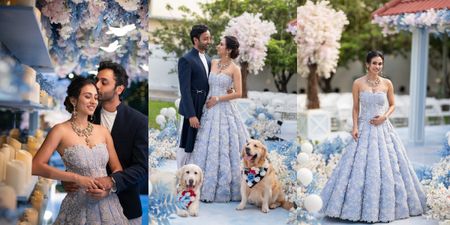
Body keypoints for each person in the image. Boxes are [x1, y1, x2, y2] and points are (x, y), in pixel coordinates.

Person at [320, 51, 426, 223]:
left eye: (380, 63)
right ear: (367, 64)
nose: (378, 66)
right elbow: (355, 108)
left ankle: (389, 208)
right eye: (374, 63)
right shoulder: (358, 83)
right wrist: (354, 127)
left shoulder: (387, 83)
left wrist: (384, 116)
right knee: (358, 167)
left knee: (391, 167)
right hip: (364, 128)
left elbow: (392, 104)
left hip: (383, 129)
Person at [32, 77, 129, 224]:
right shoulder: (60, 131)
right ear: (73, 100)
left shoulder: (103, 131)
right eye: (87, 96)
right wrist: (75, 178)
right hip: (77, 206)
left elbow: (117, 168)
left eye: (96, 97)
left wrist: (108, 189)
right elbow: (36, 166)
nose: (93, 101)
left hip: (107, 204)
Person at [63, 61, 148, 224]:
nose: (96, 85)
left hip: (126, 209)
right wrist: (68, 178)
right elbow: (76, 151)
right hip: (85, 208)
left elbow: (142, 166)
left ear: (119, 89)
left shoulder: (139, 122)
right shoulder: (86, 115)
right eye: (96, 79)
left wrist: (112, 182)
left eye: (104, 82)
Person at [185, 35, 249, 202]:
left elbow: (239, 93)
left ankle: (226, 188)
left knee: (226, 146)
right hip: (209, 109)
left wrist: (219, 98)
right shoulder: (212, 62)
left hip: (224, 109)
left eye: (221, 44)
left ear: (228, 50)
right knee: (206, 145)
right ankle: (198, 186)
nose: (217, 46)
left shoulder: (235, 69)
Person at [177, 24, 212, 167]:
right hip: (192, 104)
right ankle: (181, 171)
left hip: (205, 104)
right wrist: (191, 115)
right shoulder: (186, 59)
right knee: (186, 141)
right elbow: (184, 89)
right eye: (205, 39)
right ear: (195, 40)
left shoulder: (209, 59)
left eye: (209, 38)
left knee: (199, 141)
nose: (208, 41)